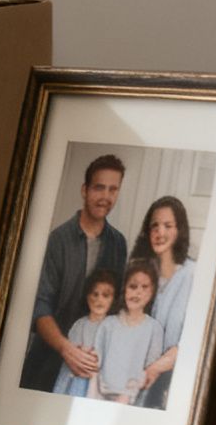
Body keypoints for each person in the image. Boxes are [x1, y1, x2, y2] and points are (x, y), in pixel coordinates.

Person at [19, 153, 130, 393]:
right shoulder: (57, 240)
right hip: (48, 360)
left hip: (92, 367)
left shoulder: (118, 244)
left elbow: (115, 308)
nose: (106, 197)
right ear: (84, 190)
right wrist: (67, 349)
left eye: (113, 189)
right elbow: (40, 306)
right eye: (99, 188)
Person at [137, 196, 194, 410]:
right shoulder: (141, 273)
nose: (160, 232)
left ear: (179, 230)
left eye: (168, 226)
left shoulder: (193, 275)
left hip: (174, 385)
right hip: (137, 380)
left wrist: (155, 368)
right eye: (155, 226)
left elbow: (193, 341)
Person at [94, 256, 166, 404]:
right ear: (124, 289)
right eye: (133, 286)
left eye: (144, 287)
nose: (137, 292)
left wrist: (127, 395)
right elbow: (96, 364)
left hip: (132, 401)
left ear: (152, 292)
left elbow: (149, 371)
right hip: (100, 397)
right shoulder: (108, 324)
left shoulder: (154, 329)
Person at [50, 269, 118, 398]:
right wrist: (81, 353)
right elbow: (71, 350)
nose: (99, 299)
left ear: (112, 299)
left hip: (96, 380)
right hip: (75, 374)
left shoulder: (113, 327)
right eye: (95, 294)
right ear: (87, 297)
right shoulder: (79, 324)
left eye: (105, 295)